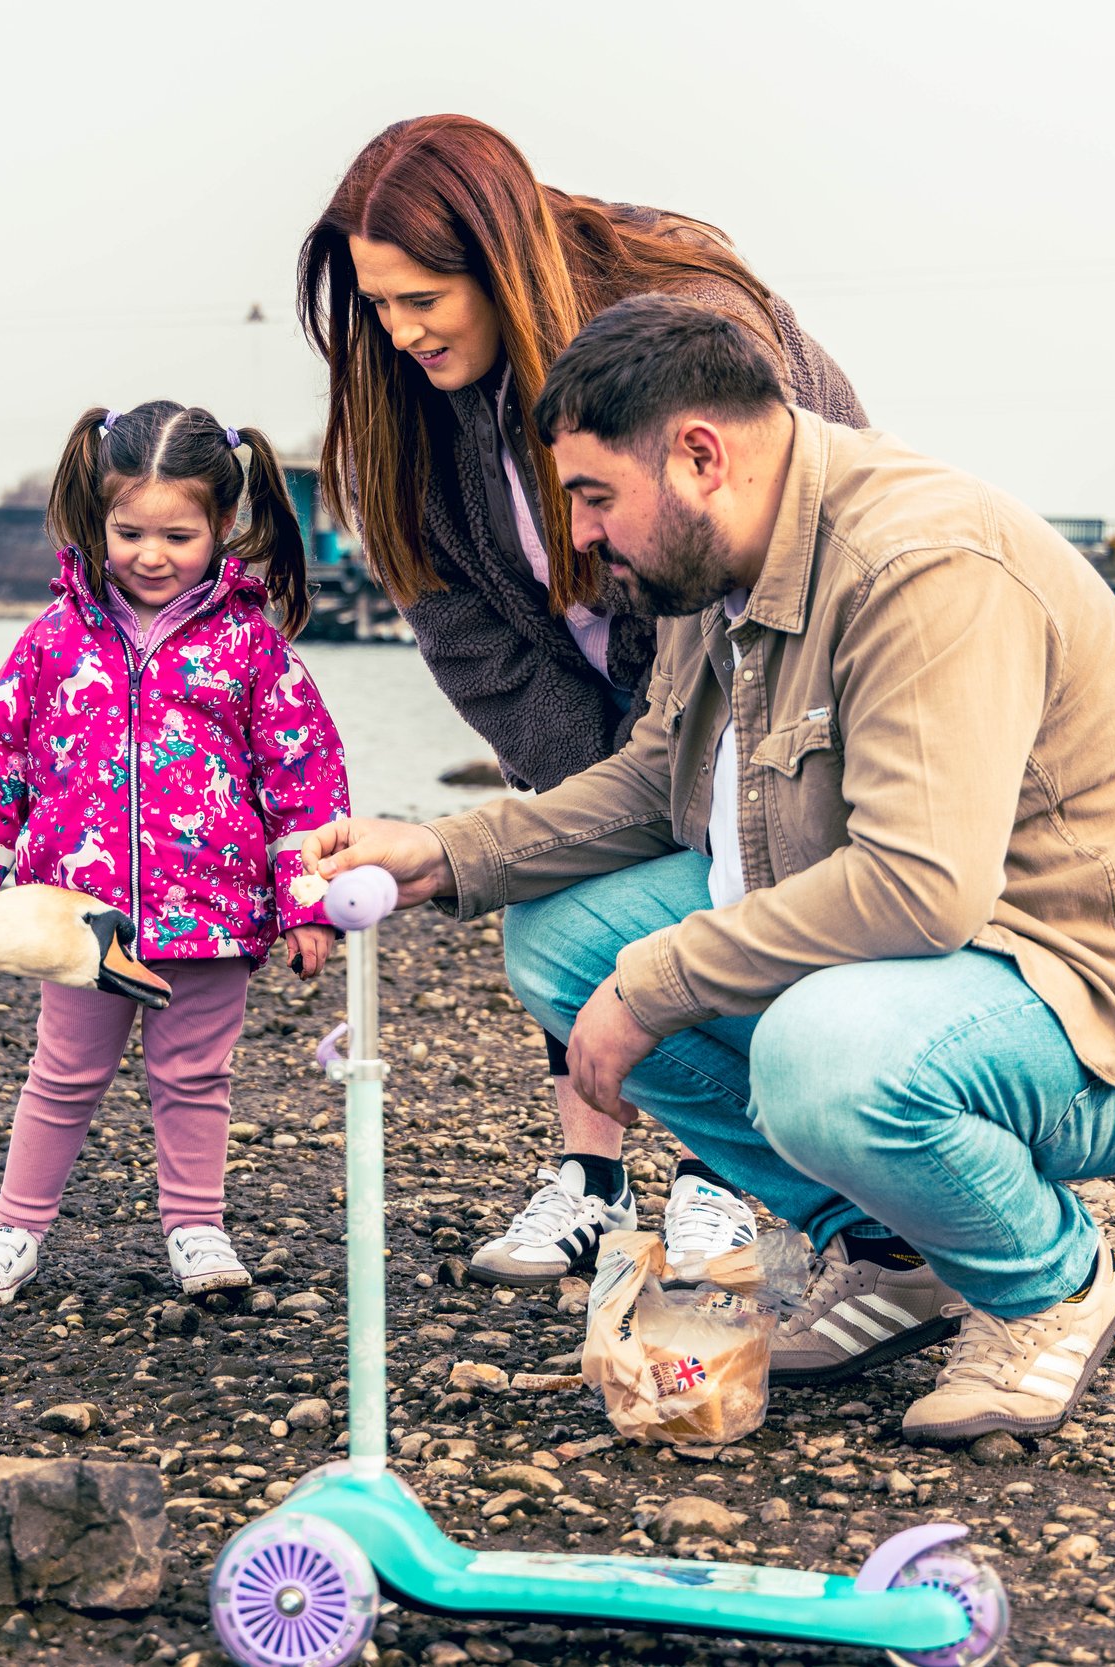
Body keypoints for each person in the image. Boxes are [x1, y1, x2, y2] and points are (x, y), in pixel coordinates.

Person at [310, 297, 1115, 1442]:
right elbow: (657, 775)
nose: (584, 538)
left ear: (700, 455)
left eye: (596, 496)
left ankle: (1046, 1283)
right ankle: (894, 1251)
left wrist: (655, 983)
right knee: (559, 935)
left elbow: (917, 884)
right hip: (946, 962)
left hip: (1094, 997)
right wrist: (445, 848)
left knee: (822, 1057)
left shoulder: (920, 564)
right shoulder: (728, 564)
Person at [299, 114, 868, 1290]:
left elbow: (734, 549)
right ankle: (590, 1176)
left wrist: (676, 767)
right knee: (567, 876)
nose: (398, 333)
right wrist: (584, 777)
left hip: (752, 652)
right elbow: (450, 612)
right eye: (377, 305)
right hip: (578, 671)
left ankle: (728, 1177)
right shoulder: (412, 402)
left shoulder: (681, 315)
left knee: (742, 877)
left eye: (422, 299)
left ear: (499, 261)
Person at [0, 400, 352, 1307]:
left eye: (178, 533)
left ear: (223, 528)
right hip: (79, 917)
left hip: (209, 913)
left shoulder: (250, 647)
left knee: (196, 1077)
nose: (150, 554)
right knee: (62, 1073)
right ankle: (14, 1227)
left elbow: (302, 781)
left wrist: (308, 900)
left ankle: (196, 1225)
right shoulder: (53, 641)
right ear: (98, 520)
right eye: (129, 531)